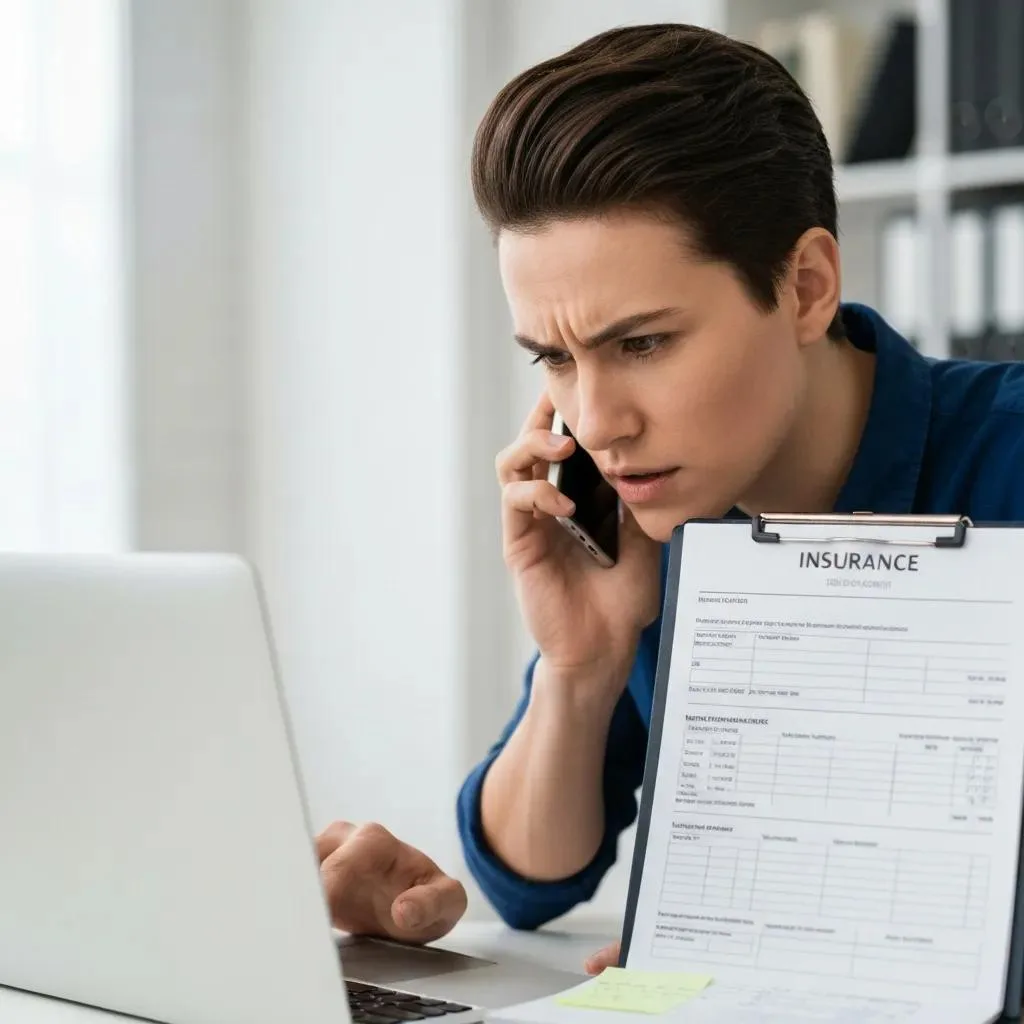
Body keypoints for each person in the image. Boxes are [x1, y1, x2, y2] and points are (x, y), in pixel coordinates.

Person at [451, 19, 1024, 977]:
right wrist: (581, 665)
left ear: (805, 286)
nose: (595, 421)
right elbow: (527, 879)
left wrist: (808, 944)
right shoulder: (651, 515)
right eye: (556, 357)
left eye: (642, 344)